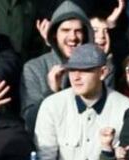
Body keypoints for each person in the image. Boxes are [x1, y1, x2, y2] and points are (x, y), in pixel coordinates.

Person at [34, 43, 129, 160]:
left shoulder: (126, 109)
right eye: (72, 70)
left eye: (84, 70)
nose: (76, 77)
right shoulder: (52, 106)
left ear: (103, 73)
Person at [21, 1, 91, 130]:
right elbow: (31, 121)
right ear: (54, 34)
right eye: (65, 30)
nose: (72, 37)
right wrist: (52, 92)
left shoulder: (95, 68)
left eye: (78, 31)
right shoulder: (34, 68)